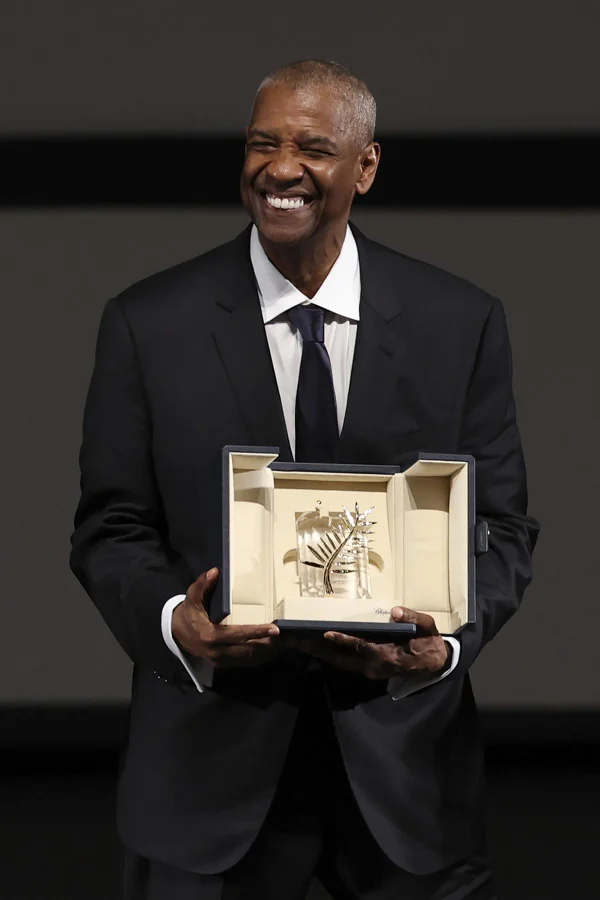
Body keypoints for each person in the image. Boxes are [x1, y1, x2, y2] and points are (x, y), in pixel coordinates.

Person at [70, 59, 539, 899]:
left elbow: (502, 528)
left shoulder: (459, 321)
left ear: (366, 166)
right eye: (263, 144)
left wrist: (443, 647)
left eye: (313, 148)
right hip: (207, 776)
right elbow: (112, 525)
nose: (280, 168)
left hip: (409, 772)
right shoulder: (149, 323)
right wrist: (178, 624)